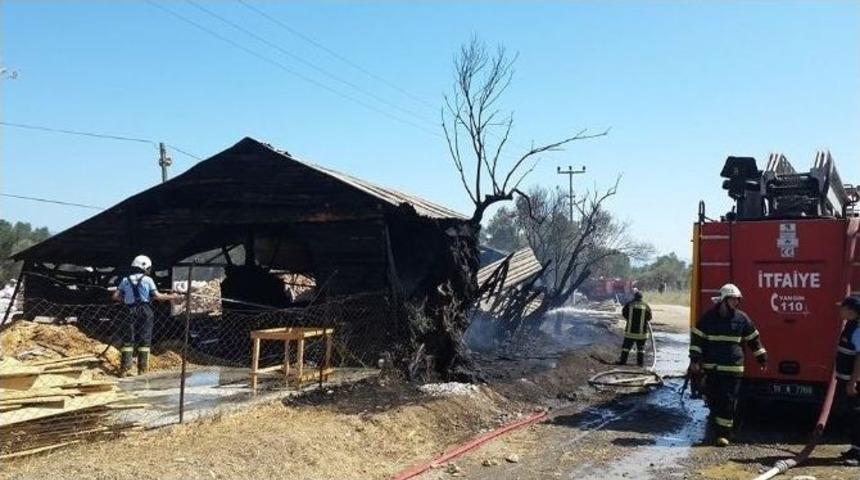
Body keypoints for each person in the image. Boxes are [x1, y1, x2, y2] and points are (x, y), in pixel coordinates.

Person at [689, 283, 767, 447]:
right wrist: (695, 360)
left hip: (732, 368)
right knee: (713, 399)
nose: (736, 303)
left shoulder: (741, 318)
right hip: (712, 368)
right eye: (733, 300)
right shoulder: (708, 318)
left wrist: (761, 357)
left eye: (737, 300)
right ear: (724, 300)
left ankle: (723, 435)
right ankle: (719, 430)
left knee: (728, 401)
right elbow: (697, 340)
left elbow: (753, 339)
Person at [111, 255, 178, 376]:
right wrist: (172, 296)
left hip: (129, 310)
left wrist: (126, 299)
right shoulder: (148, 280)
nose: (149, 270)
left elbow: (115, 296)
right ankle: (142, 370)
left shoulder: (125, 280)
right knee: (145, 339)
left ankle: (125, 369)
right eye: (149, 267)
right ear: (144, 267)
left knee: (128, 340)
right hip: (145, 310)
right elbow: (158, 296)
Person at [836, 296, 860, 466]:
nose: (840, 310)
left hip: (855, 383)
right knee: (851, 415)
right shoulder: (850, 326)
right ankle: (855, 448)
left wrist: (853, 381)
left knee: (858, 415)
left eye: (842, 307)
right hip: (846, 380)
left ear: (851, 310)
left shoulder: (858, 329)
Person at [618, 289, 652, 367]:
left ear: (634, 297)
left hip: (630, 332)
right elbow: (649, 317)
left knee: (626, 347)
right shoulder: (646, 306)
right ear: (641, 297)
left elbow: (624, 313)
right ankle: (640, 364)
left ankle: (623, 361)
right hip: (642, 333)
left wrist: (630, 319)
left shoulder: (629, 304)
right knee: (641, 349)